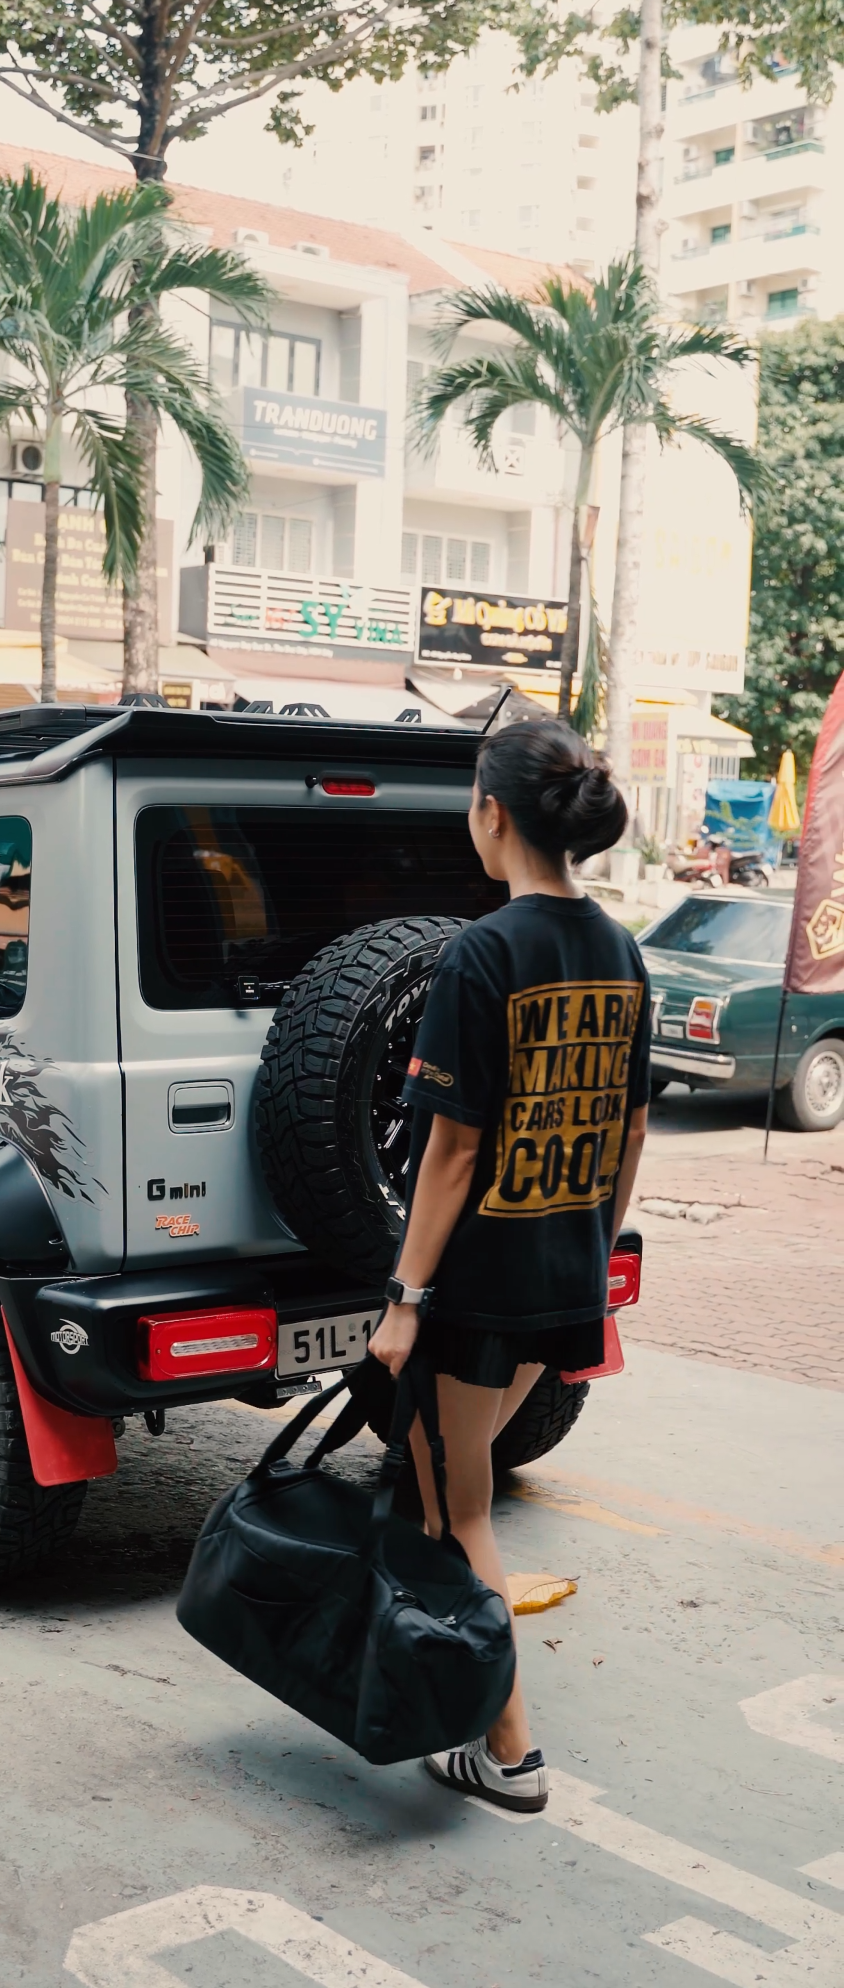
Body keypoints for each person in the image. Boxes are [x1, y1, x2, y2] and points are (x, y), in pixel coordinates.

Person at [368, 716, 650, 1815]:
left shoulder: (482, 952)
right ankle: (475, 1714)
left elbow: (453, 1147)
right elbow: (630, 1135)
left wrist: (403, 1298)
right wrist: (589, 1239)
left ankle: (509, 1750)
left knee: (461, 1515)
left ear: (492, 812)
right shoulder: (620, 949)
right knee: (454, 1492)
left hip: (477, 1288)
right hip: (565, 1277)